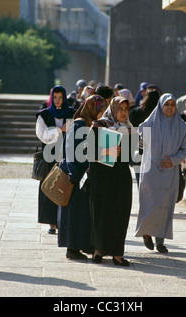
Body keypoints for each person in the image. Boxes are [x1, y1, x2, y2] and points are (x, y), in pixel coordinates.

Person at [58, 85, 113, 260]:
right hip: (76, 176)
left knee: (81, 214)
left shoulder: (88, 124)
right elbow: (74, 151)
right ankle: (72, 248)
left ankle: (78, 247)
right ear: (92, 109)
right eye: (101, 110)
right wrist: (75, 175)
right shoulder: (80, 125)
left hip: (83, 176)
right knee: (75, 214)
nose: (103, 114)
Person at [135, 93, 186, 253]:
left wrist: (173, 160)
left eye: (172, 105)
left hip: (169, 171)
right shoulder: (150, 123)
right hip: (150, 169)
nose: (170, 108)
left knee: (164, 206)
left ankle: (160, 241)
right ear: (160, 106)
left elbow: (185, 149)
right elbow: (139, 137)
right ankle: (146, 233)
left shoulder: (181, 126)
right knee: (149, 203)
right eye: (166, 105)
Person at [88, 96, 133, 266]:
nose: (123, 112)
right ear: (113, 109)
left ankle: (117, 253)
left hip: (121, 177)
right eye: (120, 109)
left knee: (121, 214)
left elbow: (130, 157)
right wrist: (107, 150)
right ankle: (98, 250)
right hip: (101, 177)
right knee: (102, 213)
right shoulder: (99, 125)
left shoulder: (128, 128)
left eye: (126, 109)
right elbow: (88, 151)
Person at [35, 86, 76, 234]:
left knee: (65, 187)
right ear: (52, 98)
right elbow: (42, 134)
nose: (58, 100)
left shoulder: (72, 113)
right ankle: (51, 222)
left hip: (67, 156)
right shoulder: (44, 114)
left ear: (64, 98)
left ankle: (62, 220)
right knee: (48, 186)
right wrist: (60, 129)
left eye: (60, 97)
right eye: (55, 97)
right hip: (49, 157)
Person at [129, 88, 161, 186]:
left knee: (140, 182)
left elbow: (131, 132)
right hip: (156, 151)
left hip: (138, 149)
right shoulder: (160, 115)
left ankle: (142, 199)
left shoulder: (135, 112)